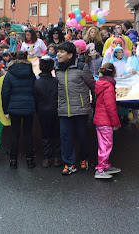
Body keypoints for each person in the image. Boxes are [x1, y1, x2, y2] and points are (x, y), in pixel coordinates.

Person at [56, 41, 96, 175]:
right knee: (65, 137)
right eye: (58, 51)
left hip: (81, 109)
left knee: (82, 136)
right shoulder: (58, 69)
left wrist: (95, 104)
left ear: (70, 54)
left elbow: (93, 85)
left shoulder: (81, 67)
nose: (58, 54)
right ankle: (69, 163)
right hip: (64, 109)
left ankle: (83, 159)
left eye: (61, 52)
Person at [1, 50, 37, 169]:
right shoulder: (31, 73)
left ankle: (13, 160)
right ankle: (30, 160)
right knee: (28, 133)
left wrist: (5, 109)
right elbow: (34, 90)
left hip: (14, 107)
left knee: (15, 133)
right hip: (28, 105)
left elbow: (5, 93)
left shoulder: (10, 74)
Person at [93, 63, 122, 179]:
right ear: (113, 73)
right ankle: (100, 169)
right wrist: (116, 123)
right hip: (105, 121)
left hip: (100, 119)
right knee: (106, 145)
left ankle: (105, 165)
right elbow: (111, 107)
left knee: (103, 144)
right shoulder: (109, 86)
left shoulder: (99, 83)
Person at [34, 56, 61, 168]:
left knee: (46, 134)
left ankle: (46, 158)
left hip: (42, 111)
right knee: (56, 134)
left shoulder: (37, 82)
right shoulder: (56, 81)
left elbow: (35, 98)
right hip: (56, 110)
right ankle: (57, 157)